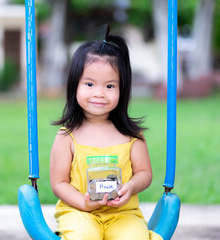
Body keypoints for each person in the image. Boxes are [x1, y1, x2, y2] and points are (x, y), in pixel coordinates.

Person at [50, 24, 162, 240]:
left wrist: (130, 186)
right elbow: (59, 183)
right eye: (90, 84)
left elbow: (144, 174)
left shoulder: (132, 135)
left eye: (110, 86)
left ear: (123, 89)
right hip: (78, 212)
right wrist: (84, 202)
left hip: (123, 214)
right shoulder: (67, 136)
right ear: (75, 86)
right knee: (84, 236)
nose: (99, 93)